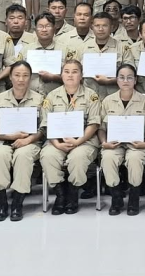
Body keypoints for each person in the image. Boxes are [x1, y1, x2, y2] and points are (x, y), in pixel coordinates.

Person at [39, 59, 101, 214]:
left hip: (84, 141)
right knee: (48, 156)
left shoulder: (91, 96)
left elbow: (94, 124)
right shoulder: (51, 96)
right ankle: (60, 195)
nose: (70, 75)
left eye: (75, 72)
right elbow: (46, 124)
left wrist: (78, 141)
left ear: (81, 75)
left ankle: (73, 195)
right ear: (61, 75)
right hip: (56, 141)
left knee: (78, 158)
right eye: (66, 72)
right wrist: (57, 144)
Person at [0, 61, 43, 222]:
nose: (21, 79)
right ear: (10, 77)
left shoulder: (39, 100)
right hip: (3, 141)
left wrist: (29, 139)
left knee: (23, 156)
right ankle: (1, 204)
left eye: (25, 75)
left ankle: (17, 204)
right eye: (17, 75)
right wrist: (9, 137)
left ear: (30, 78)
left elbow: (44, 128)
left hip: (30, 142)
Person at [99, 63, 145, 215]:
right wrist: (104, 142)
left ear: (135, 80)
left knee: (134, 159)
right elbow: (101, 128)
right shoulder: (108, 101)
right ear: (116, 80)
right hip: (114, 144)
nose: (125, 81)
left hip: (138, 145)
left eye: (129, 78)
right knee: (108, 158)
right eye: (122, 77)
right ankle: (116, 197)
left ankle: (133, 198)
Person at [76, 11, 125, 99]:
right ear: (92, 27)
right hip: (88, 97)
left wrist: (112, 81)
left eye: (105, 25)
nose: (101, 29)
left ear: (111, 27)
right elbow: (75, 72)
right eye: (97, 26)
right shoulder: (82, 48)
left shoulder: (122, 48)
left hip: (114, 98)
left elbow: (130, 75)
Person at [22, 12, 68, 96]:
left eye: (48, 26)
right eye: (40, 26)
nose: (44, 30)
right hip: (30, 96)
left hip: (57, 97)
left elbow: (74, 77)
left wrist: (55, 78)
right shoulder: (26, 50)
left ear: (54, 28)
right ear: (35, 29)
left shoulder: (65, 50)